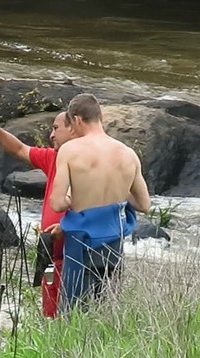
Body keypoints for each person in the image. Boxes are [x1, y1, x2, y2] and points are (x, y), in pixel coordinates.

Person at [0, 113, 75, 318]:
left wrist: (67, 226)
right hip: (50, 254)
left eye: (56, 128)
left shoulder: (85, 163)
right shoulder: (53, 158)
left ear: (73, 129)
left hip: (74, 256)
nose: (51, 135)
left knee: (72, 316)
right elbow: (19, 149)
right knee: (50, 317)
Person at [49, 94, 150, 312]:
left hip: (81, 243)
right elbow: (144, 204)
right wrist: (119, 192)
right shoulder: (128, 154)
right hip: (114, 244)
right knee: (106, 311)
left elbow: (57, 203)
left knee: (73, 313)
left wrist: (71, 198)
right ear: (100, 116)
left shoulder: (70, 151)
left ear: (76, 120)